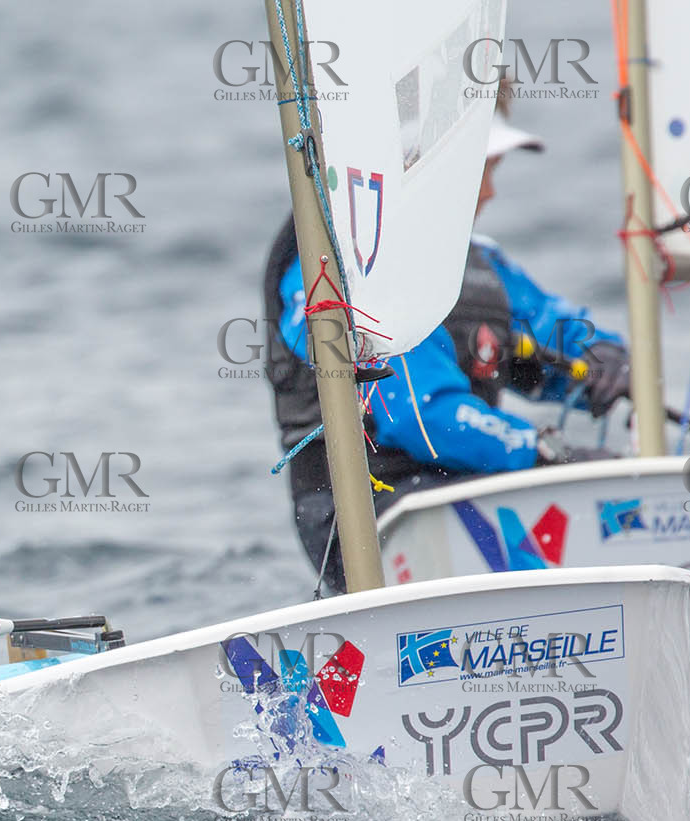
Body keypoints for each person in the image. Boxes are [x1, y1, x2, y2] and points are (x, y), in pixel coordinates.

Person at [261, 111, 633, 593]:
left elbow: (550, 325)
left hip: (464, 487)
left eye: (494, 171)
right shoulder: (336, 273)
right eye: (482, 171)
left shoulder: (480, 264)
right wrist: (543, 449)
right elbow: (423, 418)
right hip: (370, 515)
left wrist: (606, 360)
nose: (491, 192)